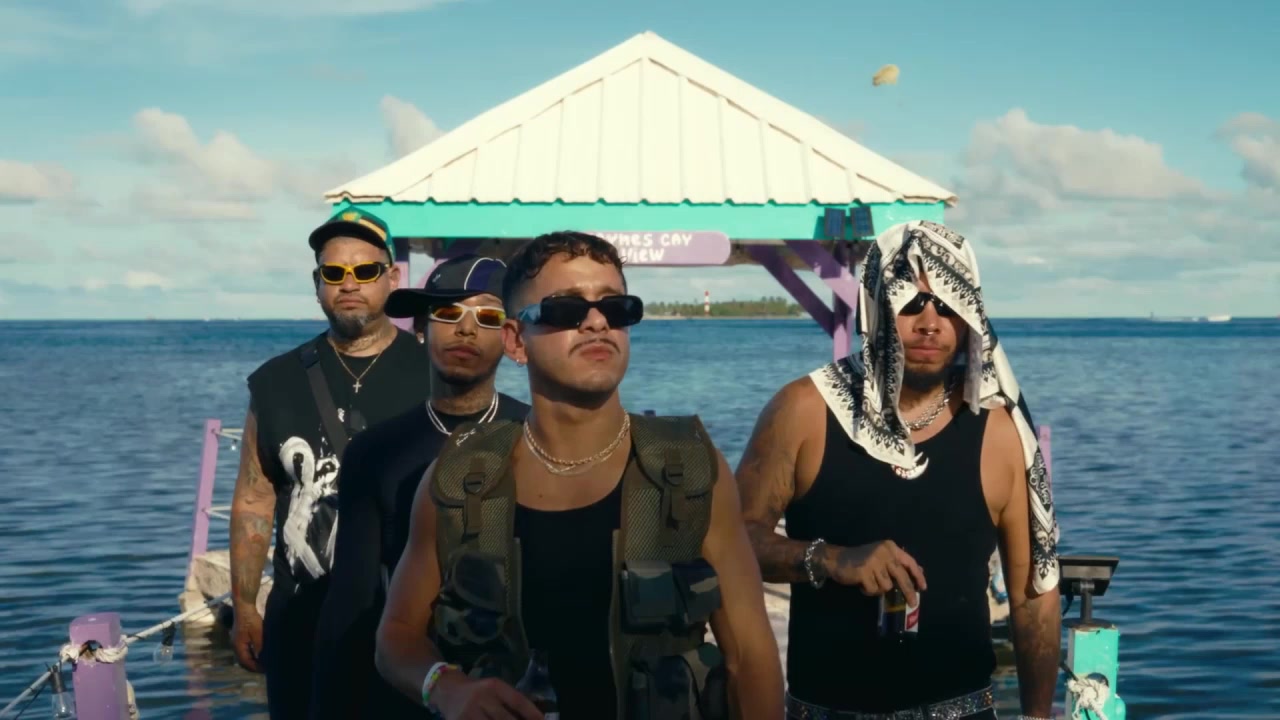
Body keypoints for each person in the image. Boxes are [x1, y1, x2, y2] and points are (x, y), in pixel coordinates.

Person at [373, 231, 786, 720]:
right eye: (566, 310)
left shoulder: (690, 471)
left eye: (616, 308)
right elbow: (396, 635)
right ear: (515, 340)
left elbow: (750, 658)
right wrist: (447, 688)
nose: (596, 322)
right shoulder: (460, 478)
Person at [735, 220, 1062, 720]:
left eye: (948, 305)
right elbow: (734, 542)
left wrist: (1037, 716)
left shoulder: (997, 432)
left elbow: (1032, 596)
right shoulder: (804, 412)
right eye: (911, 303)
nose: (930, 322)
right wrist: (829, 559)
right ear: (876, 306)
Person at [228, 207, 433, 719]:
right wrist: (246, 606)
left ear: (392, 278)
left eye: (365, 270)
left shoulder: (434, 374)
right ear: (317, 283)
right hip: (301, 620)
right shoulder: (275, 382)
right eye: (334, 271)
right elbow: (254, 495)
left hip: (408, 623)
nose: (349, 283)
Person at [309, 255, 531, 719]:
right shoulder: (374, 451)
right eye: (447, 313)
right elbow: (351, 600)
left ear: (511, 337)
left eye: (487, 317)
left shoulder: (535, 437)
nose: (466, 330)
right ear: (420, 330)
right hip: (406, 690)